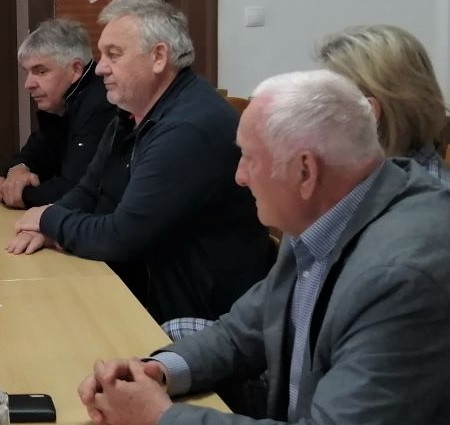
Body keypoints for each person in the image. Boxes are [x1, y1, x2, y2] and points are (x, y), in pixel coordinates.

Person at [79, 70, 450, 425]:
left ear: (305, 171)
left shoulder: (399, 278)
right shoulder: (326, 210)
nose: (239, 176)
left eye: (250, 158)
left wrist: (159, 417)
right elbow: (247, 328)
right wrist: (156, 371)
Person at [7, 0, 270, 323]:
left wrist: (49, 220)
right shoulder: (132, 113)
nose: (100, 68)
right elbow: (89, 190)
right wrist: (48, 223)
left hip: (198, 319)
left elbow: (122, 237)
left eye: (113, 55)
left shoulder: (188, 128)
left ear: (158, 57)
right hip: (143, 291)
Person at [0, 18, 113, 209]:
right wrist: (18, 170)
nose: (28, 84)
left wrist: (7, 192)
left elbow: (74, 191)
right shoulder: (61, 102)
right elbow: (33, 153)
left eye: (41, 71)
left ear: (76, 69)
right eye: (27, 72)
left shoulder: (101, 105)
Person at [316, 24, 450, 182]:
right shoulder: (378, 180)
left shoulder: (420, 194)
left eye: (328, 103)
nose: (320, 117)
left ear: (369, 112)